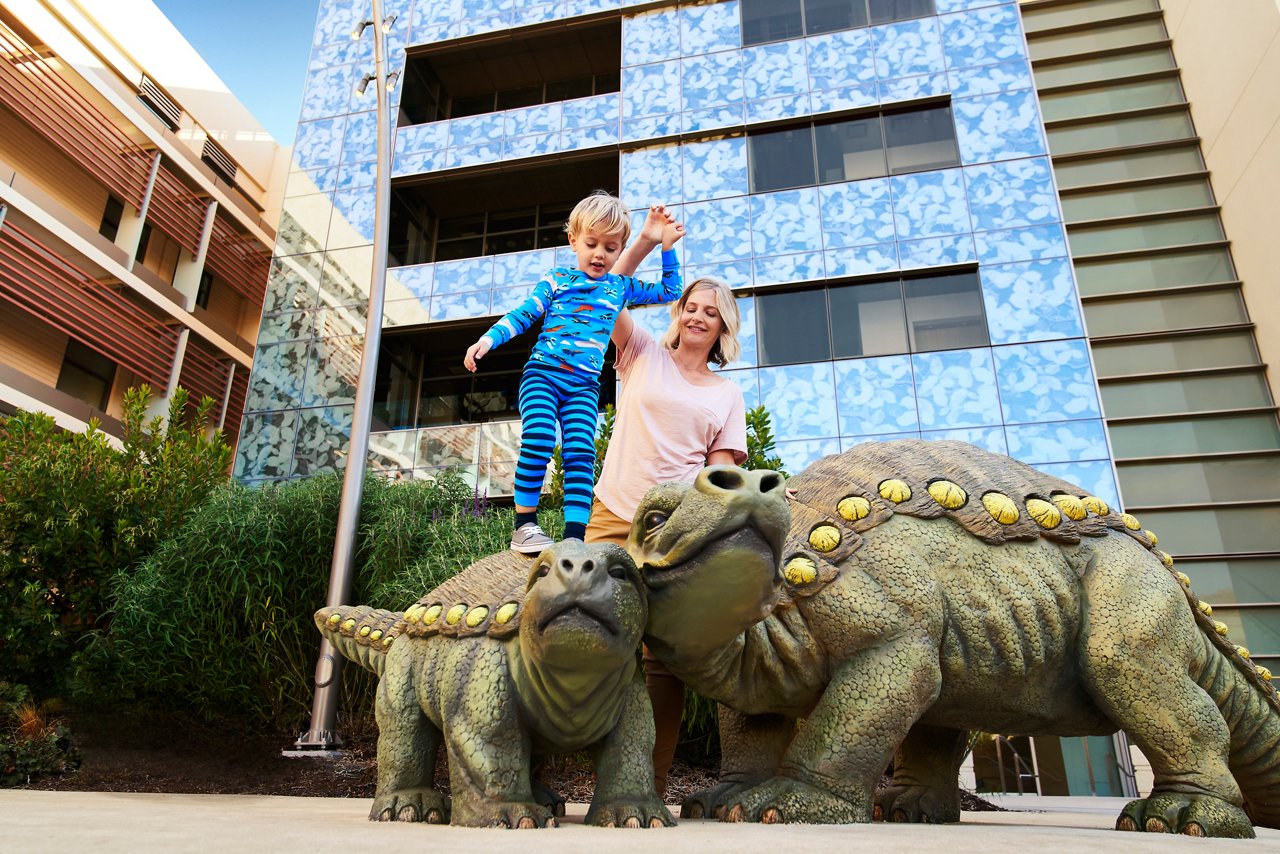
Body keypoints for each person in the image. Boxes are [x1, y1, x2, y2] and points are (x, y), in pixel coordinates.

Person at [585, 273, 748, 797]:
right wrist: (650, 241)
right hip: (612, 515)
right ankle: (548, 766)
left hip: (673, 531)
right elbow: (602, 292)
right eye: (691, 306)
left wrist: (758, 492)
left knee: (662, 663)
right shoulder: (642, 353)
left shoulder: (726, 393)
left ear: (723, 326)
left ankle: (643, 783)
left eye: (711, 312)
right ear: (678, 313)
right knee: (586, 636)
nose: (699, 316)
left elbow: (718, 473)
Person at [464, 191, 685, 553]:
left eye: (611, 248)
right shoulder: (556, 280)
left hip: (583, 388)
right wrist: (487, 340)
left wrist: (667, 247)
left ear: (620, 249)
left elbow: (671, 290)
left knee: (581, 452)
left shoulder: (619, 287)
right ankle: (524, 526)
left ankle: (574, 539)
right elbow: (524, 313)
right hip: (543, 375)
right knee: (538, 437)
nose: (600, 254)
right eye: (592, 243)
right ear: (573, 240)